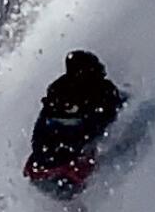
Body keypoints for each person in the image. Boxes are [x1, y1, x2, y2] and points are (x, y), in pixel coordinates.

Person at [24, 49, 127, 200]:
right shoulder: (61, 98)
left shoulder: (98, 91)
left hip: (52, 165)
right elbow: (47, 132)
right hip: (58, 168)